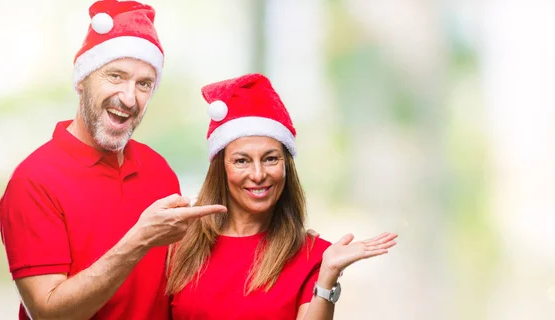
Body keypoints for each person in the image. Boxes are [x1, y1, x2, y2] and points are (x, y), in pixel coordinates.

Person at [0, 1, 226, 319]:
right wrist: (140, 239)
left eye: (144, 84)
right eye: (116, 76)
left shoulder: (158, 169)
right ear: (81, 79)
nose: (129, 98)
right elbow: (48, 314)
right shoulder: (33, 181)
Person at [166, 73, 398, 319]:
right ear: (221, 169)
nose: (258, 174)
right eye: (242, 161)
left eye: (270, 159)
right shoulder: (180, 245)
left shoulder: (313, 256)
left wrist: (328, 274)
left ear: (286, 166)